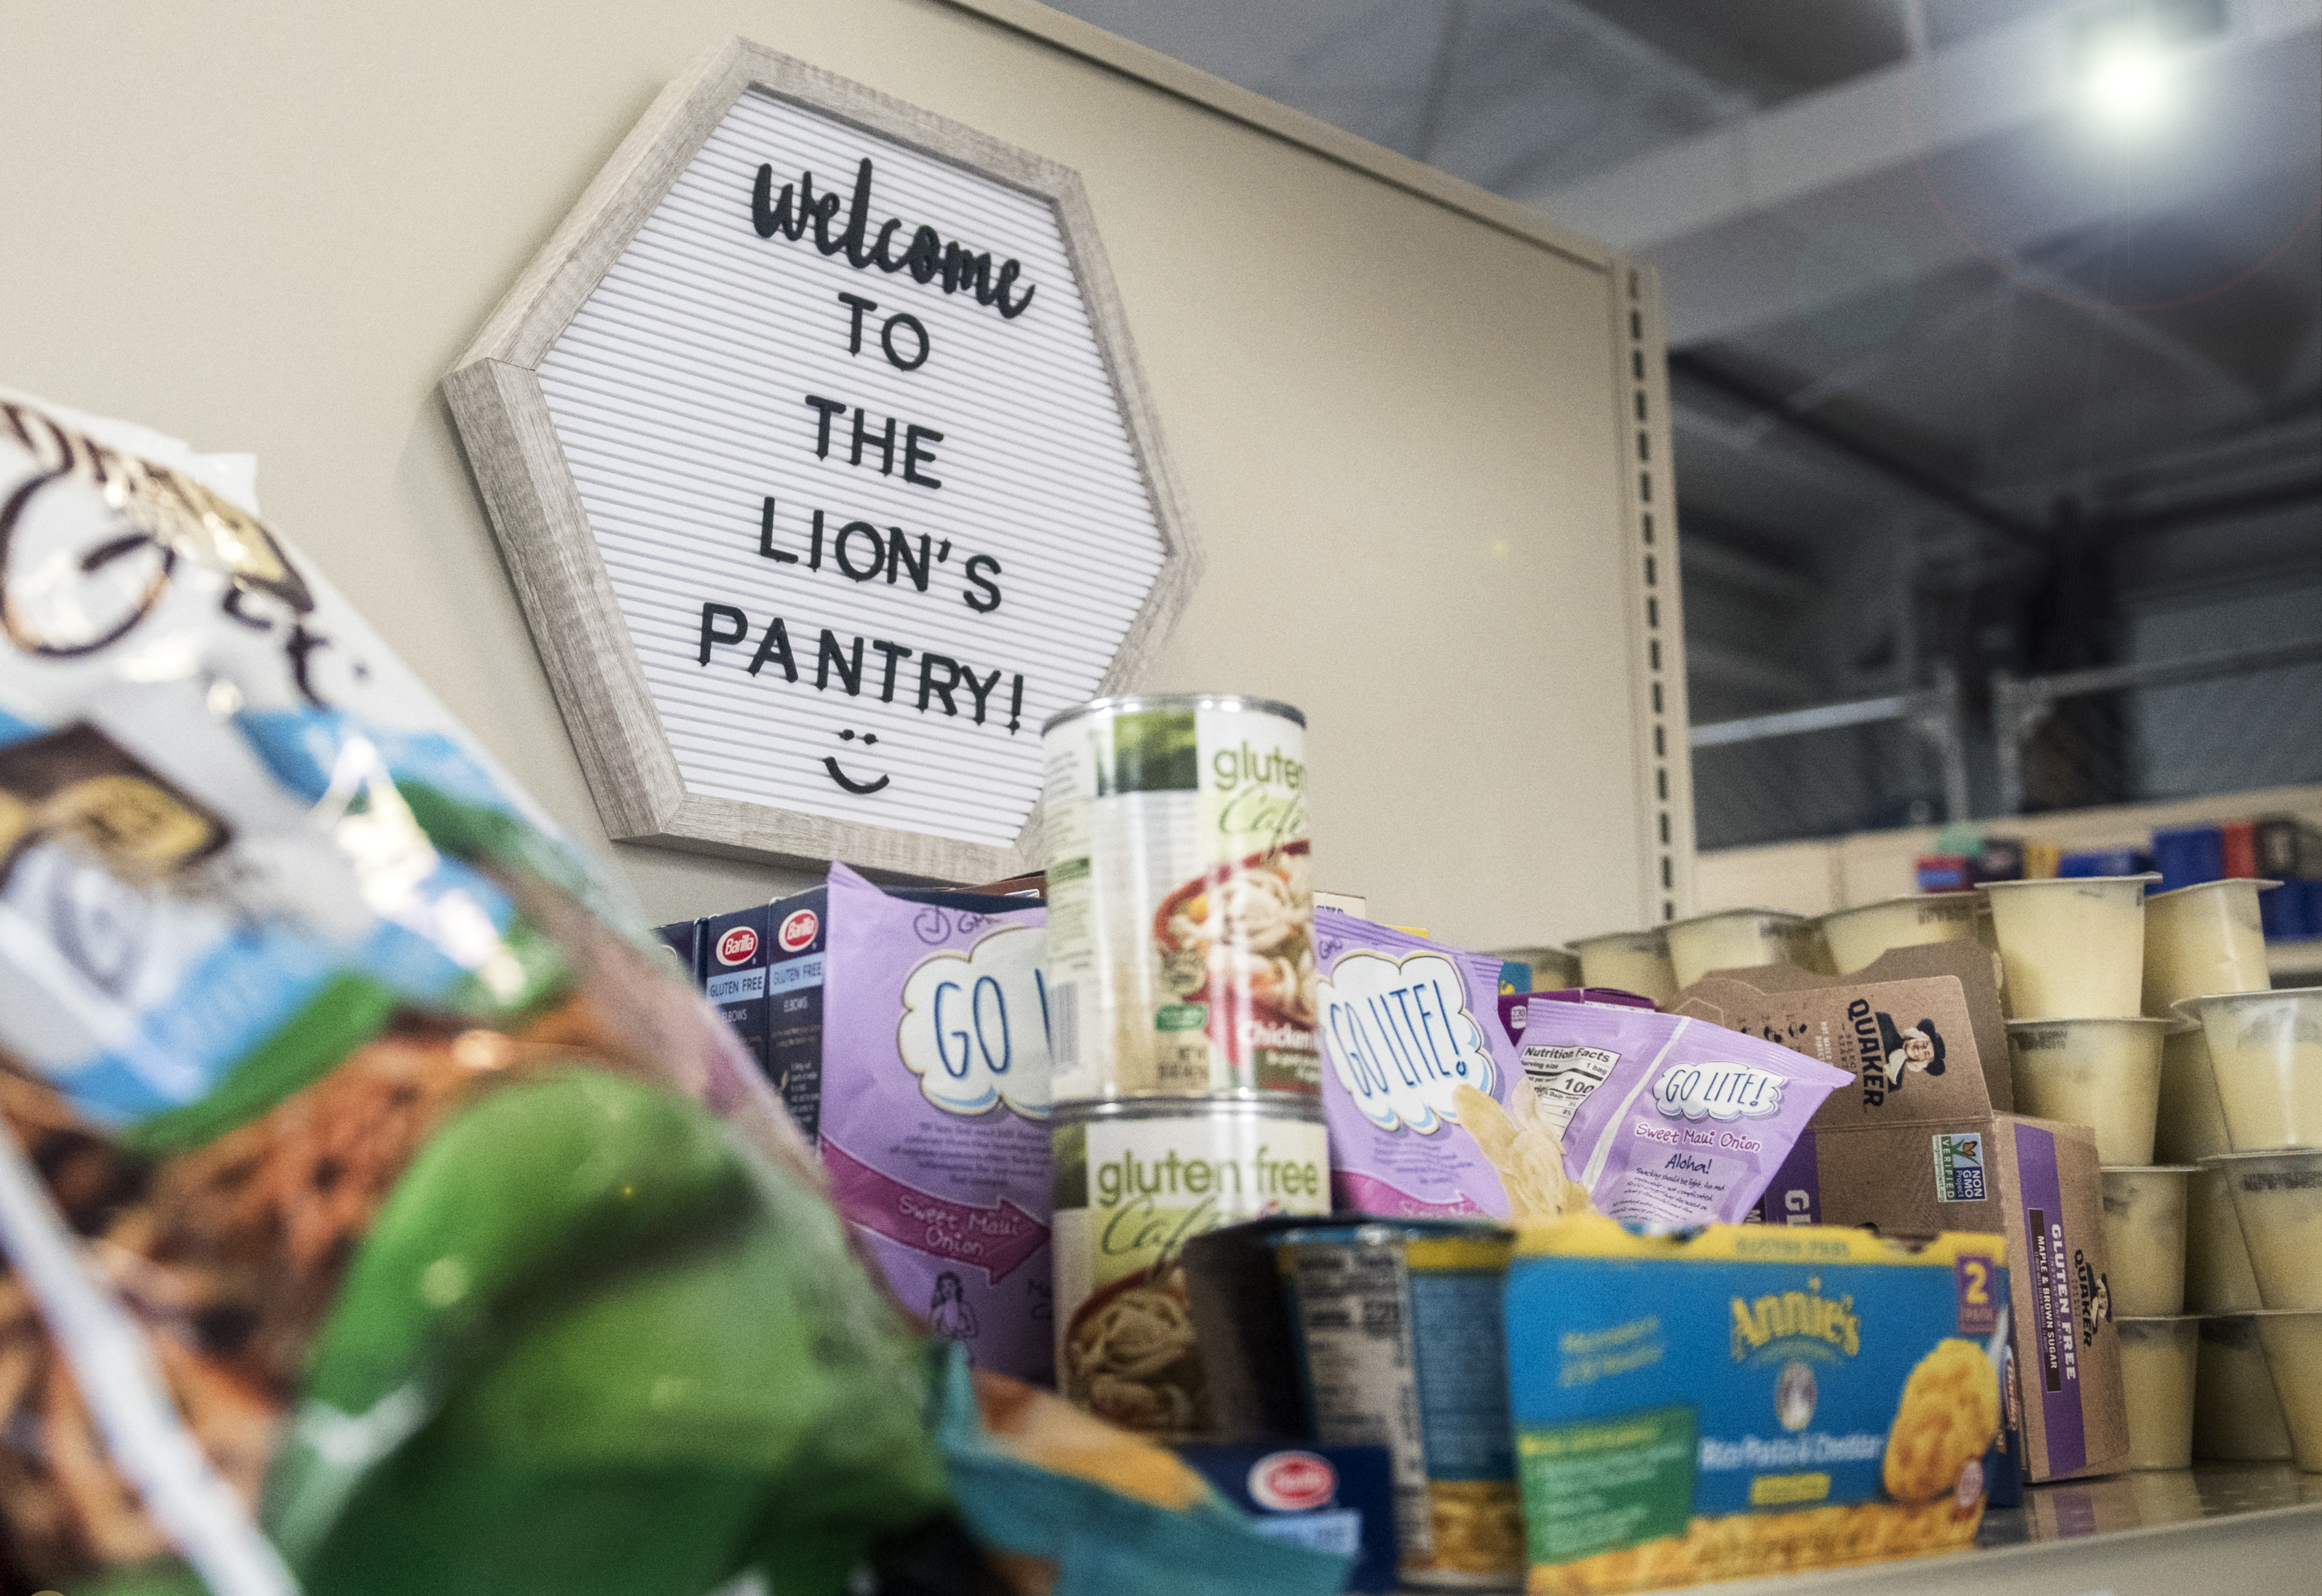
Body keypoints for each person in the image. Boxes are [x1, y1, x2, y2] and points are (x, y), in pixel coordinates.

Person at [928, 1270, 977, 1341]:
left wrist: (962, 1333)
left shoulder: (964, 1308)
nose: (947, 1289)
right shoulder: (940, 1309)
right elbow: (932, 1331)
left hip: (960, 1346)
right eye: (944, 1286)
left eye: (950, 1285)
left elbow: (973, 1330)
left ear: (957, 1286)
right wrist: (941, 1337)